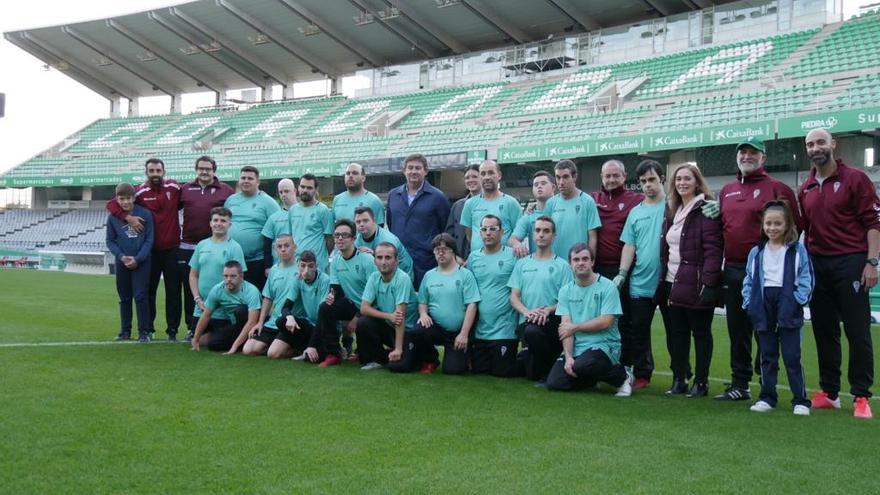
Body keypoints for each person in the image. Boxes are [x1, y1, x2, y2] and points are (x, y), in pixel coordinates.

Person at [713, 137, 802, 402]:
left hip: (768, 272)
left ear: (763, 158)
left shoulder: (778, 188)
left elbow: (796, 227)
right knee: (738, 330)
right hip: (734, 269)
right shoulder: (726, 190)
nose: (747, 157)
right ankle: (740, 383)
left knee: (766, 327)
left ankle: (768, 382)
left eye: (753, 153)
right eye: (743, 152)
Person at [798, 128, 878, 419]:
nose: (815, 147)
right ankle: (830, 392)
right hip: (818, 264)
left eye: (820, 142)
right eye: (810, 144)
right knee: (824, 331)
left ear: (833, 144)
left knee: (857, 331)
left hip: (851, 263)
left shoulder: (856, 179)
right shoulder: (805, 187)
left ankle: (861, 395)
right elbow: (803, 230)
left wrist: (872, 262)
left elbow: (873, 223)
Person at [742, 200, 814, 415]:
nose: (772, 228)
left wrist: (797, 300)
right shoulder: (756, 252)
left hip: (787, 302)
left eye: (777, 224)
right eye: (768, 223)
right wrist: (749, 302)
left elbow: (806, 278)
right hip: (763, 304)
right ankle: (767, 396)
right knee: (767, 355)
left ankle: (800, 400)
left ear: (787, 225)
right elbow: (749, 278)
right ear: (763, 225)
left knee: (792, 356)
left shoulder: (797, 250)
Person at [658, 164, 722, 398]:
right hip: (671, 281)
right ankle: (680, 378)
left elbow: (713, 249)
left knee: (701, 332)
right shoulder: (672, 209)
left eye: (687, 178)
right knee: (678, 333)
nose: (682, 183)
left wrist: (709, 282)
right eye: (678, 179)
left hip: (696, 282)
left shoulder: (705, 208)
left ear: (697, 182)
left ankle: (702, 382)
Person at [106, 157, 182, 341]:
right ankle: (146, 330)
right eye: (151, 171)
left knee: (173, 292)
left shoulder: (175, 187)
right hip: (150, 253)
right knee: (146, 293)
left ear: (164, 171)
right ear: (146, 172)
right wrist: (126, 217)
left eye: (158, 170)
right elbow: (112, 204)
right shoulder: (139, 191)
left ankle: (172, 331)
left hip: (170, 248)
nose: (155, 174)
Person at [545, 243, 633, 397]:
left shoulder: (608, 287)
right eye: (576, 259)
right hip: (578, 348)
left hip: (604, 345)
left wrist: (576, 327)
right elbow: (566, 328)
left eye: (585, 259)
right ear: (570, 264)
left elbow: (606, 321)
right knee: (555, 382)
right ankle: (593, 377)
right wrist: (568, 356)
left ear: (592, 262)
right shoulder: (565, 291)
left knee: (584, 365)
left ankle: (622, 376)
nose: (580, 263)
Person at [617, 160, 673, 389]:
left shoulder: (673, 206)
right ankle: (642, 373)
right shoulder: (635, 212)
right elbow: (629, 245)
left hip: (670, 281)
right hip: (640, 281)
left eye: (651, 179)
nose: (647, 185)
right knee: (638, 330)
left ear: (662, 178)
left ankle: (681, 374)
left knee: (675, 331)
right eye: (643, 181)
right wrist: (622, 273)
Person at [509, 216, 573, 382]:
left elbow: (567, 301)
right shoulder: (522, 264)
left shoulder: (563, 266)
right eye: (538, 230)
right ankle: (533, 358)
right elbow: (514, 297)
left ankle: (548, 367)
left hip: (551, 322)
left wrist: (547, 310)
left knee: (534, 334)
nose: (541, 234)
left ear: (554, 236)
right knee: (511, 369)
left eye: (546, 231)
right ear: (532, 234)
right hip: (527, 320)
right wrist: (528, 312)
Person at [178, 156, 234, 341]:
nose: (204, 171)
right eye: (201, 168)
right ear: (196, 169)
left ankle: (223, 321)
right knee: (191, 286)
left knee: (218, 281)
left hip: (216, 244)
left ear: (214, 170)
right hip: (188, 245)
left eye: (208, 169)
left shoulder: (226, 190)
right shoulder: (185, 189)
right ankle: (190, 326)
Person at [412, 233, 480, 375]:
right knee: (418, 330)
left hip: (458, 331)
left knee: (453, 370)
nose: (440, 253)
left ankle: (466, 354)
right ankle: (431, 359)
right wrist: (423, 314)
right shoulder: (429, 275)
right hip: (437, 327)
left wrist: (463, 334)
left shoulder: (465, 275)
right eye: (437, 250)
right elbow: (422, 301)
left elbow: (472, 305)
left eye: (445, 249)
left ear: (453, 251)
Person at [315, 219, 378, 367]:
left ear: (354, 238)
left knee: (363, 325)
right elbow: (336, 289)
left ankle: (364, 351)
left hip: (371, 306)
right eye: (337, 235)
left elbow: (375, 294)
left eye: (344, 235)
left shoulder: (367, 259)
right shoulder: (336, 261)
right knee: (325, 307)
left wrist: (357, 317)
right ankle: (333, 353)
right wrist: (331, 296)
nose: (340, 239)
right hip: (352, 304)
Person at [387, 153, 451, 288]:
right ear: (404, 171)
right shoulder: (393, 195)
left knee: (425, 301)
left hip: (426, 261)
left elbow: (445, 229)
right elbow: (391, 224)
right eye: (410, 168)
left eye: (418, 168)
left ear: (425, 171)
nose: (413, 171)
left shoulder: (438, 197)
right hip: (399, 261)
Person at [466, 215, 519, 377]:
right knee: (479, 371)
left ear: (501, 232)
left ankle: (527, 357)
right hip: (481, 331)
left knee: (502, 372)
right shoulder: (473, 258)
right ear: (479, 233)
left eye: (492, 229)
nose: (488, 233)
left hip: (505, 330)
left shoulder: (513, 255)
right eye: (484, 229)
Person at [356, 242, 420, 371]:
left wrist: (398, 349)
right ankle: (377, 358)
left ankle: (419, 354)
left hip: (408, 331)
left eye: (388, 257)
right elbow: (364, 308)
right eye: (379, 257)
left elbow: (399, 317)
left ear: (397, 261)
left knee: (400, 367)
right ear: (374, 260)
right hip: (390, 325)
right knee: (363, 322)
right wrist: (388, 316)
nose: (383, 262)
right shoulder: (374, 277)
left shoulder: (402, 279)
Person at [106, 182, 154, 342]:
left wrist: (138, 258)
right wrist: (121, 256)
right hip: (122, 263)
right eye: (121, 199)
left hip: (142, 262)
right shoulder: (113, 218)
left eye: (128, 198)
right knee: (124, 297)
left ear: (134, 197)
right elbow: (110, 241)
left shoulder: (145, 214)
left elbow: (149, 239)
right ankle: (125, 331)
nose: (125, 202)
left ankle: (144, 333)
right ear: (117, 199)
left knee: (141, 296)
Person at [188, 207, 247, 328]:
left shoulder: (235, 247)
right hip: (201, 307)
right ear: (210, 223)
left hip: (223, 309)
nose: (218, 224)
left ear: (229, 224)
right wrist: (197, 299)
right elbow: (193, 275)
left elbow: (239, 279)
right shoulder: (202, 245)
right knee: (198, 339)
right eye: (216, 220)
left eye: (223, 221)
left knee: (214, 343)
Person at [240, 235, 299, 357]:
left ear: (295, 247)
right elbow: (268, 298)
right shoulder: (274, 270)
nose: (283, 249)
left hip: (290, 321)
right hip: (273, 321)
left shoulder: (301, 268)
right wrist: (260, 322)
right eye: (279, 246)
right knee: (248, 350)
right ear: (275, 249)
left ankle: (298, 348)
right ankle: (275, 344)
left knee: (273, 354)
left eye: (287, 246)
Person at [224, 166, 280, 290]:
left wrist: (272, 263)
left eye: (250, 178)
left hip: (257, 261)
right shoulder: (231, 200)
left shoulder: (268, 202)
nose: (246, 181)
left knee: (257, 299)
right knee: (235, 298)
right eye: (243, 178)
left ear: (258, 181)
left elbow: (278, 230)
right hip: (233, 260)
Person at [190, 261, 262, 353]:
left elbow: (252, 322)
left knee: (240, 310)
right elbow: (206, 315)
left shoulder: (251, 291)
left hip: (255, 326)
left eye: (233, 276)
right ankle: (243, 343)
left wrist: (234, 347)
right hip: (236, 325)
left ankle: (244, 343)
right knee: (214, 344)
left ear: (241, 276)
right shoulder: (217, 289)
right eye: (226, 276)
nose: (228, 279)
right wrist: (196, 339)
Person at [274, 250, 331, 361]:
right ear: (298, 265)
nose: (306, 270)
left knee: (316, 358)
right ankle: (303, 349)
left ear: (316, 266)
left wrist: (312, 345)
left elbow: (322, 315)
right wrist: (289, 317)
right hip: (310, 324)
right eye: (303, 266)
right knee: (281, 321)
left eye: (310, 266)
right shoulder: (298, 279)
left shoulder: (325, 280)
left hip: (323, 327)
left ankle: (311, 348)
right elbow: (286, 307)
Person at [460, 160, 522, 253]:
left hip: (505, 261)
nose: (487, 177)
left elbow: (518, 234)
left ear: (499, 175)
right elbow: (469, 234)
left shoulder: (511, 203)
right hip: (478, 261)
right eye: (483, 174)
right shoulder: (470, 204)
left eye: (491, 173)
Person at [544, 159, 601, 259]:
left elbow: (592, 237)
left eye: (565, 177)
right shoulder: (550, 203)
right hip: (556, 264)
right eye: (558, 177)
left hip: (579, 264)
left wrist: (590, 262)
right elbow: (545, 234)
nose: (561, 182)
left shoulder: (588, 201)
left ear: (574, 177)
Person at [287, 173, 334, 272]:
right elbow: (291, 237)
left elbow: (329, 239)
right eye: (302, 187)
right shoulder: (292, 210)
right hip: (298, 265)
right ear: (298, 188)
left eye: (309, 188)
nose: (305, 190)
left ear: (316, 190)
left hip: (318, 266)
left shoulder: (323, 210)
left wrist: (321, 256)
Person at [354, 206, 414, 277]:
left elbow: (389, 265)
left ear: (374, 220)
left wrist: (374, 255)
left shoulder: (388, 240)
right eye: (358, 222)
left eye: (365, 221)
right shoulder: (356, 241)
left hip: (401, 277)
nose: (361, 224)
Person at [509, 170, 556, 257]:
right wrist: (517, 245)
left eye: (543, 183)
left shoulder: (562, 211)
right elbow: (512, 239)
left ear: (553, 187)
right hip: (539, 266)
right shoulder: (529, 216)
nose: (539, 187)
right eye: (536, 185)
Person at [446, 164, 480, 261]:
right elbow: (449, 235)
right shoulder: (458, 206)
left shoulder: (491, 203)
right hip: (460, 261)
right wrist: (455, 257)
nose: (470, 180)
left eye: (475, 177)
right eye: (467, 178)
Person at [261, 178, 297, 266]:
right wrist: (268, 266)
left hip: (300, 264)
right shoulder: (273, 218)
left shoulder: (304, 213)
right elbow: (267, 244)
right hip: (279, 265)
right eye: (281, 192)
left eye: (286, 191)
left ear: (295, 191)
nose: (283, 194)